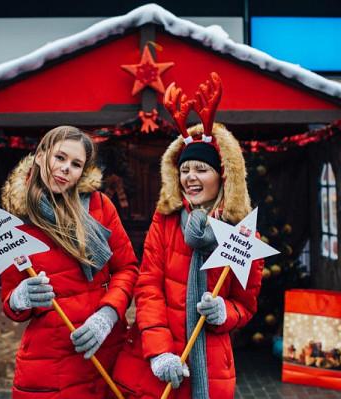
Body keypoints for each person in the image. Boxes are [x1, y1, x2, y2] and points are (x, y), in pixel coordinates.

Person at [113, 73, 264, 399]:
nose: (190, 178)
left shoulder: (243, 234)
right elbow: (148, 286)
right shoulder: (165, 220)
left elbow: (245, 304)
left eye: (201, 169)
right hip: (161, 361)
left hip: (211, 366)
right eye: (184, 170)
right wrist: (159, 351)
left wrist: (225, 312)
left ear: (222, 175)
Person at [0, 126, 138, 399]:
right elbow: (11, 305)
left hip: (107, 351)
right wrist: (20, 298)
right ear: (40, 156)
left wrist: (107, 316)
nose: (65, 169)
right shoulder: (15, 221)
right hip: (52, 364)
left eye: (76, 164)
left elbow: (127, 268)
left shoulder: (99, 205)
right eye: (59, 158)